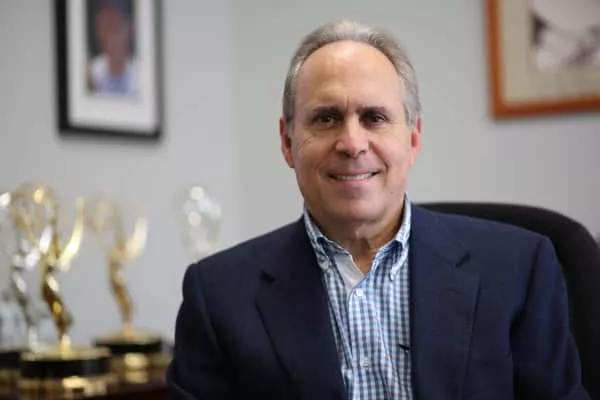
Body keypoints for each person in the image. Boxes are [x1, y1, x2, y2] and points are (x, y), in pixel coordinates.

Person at [166, 19, 590, 399]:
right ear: (287, 142)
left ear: (413, 139)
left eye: (374, 117)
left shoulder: (520, 269)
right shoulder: (218, 297)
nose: (352, 144)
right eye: (326, 118)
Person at [87, 0, 138, 96]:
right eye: (103, 27)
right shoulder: (92, 75)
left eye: (114, 26)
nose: (108, 35)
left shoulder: (142, 77)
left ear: (128, 28)